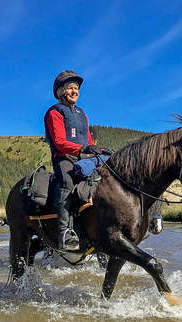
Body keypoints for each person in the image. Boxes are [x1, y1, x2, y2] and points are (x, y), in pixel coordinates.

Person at [44, 70, 109, 251]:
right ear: (61, 92)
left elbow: (88, 141)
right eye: (70, 88)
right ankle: (65, 232)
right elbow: (59, 142)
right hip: (64, 158)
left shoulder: (82, 114)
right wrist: (82, 149)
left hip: (84, 158)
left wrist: (100, 150)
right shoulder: (54, 112)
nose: (75, 92)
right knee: (67, 181)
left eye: (77, 89)